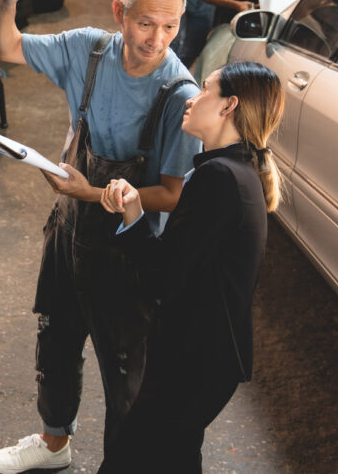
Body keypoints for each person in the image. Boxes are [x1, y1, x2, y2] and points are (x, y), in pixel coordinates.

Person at [0, 0, 202, 474]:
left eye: (171, 26)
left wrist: (93, 190)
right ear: (119, 12)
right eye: (146, 22)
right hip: (68, 231)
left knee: (126, 373)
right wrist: (8, 1)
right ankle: (53, 445)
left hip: (128, 253)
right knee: (56, 338)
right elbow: (6, 48)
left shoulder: (181, 96)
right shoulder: (89, 50)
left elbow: (172, 194)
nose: (157, 39)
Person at [86, 60, 285, 472]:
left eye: (206, 89)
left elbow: (161, 277)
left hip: (193, 364)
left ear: (229, 105)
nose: (192, 98)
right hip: (205, 360)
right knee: (174, 459)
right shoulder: (236, 173)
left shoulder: (219, 179)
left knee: (128, 459)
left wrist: (134, 216)